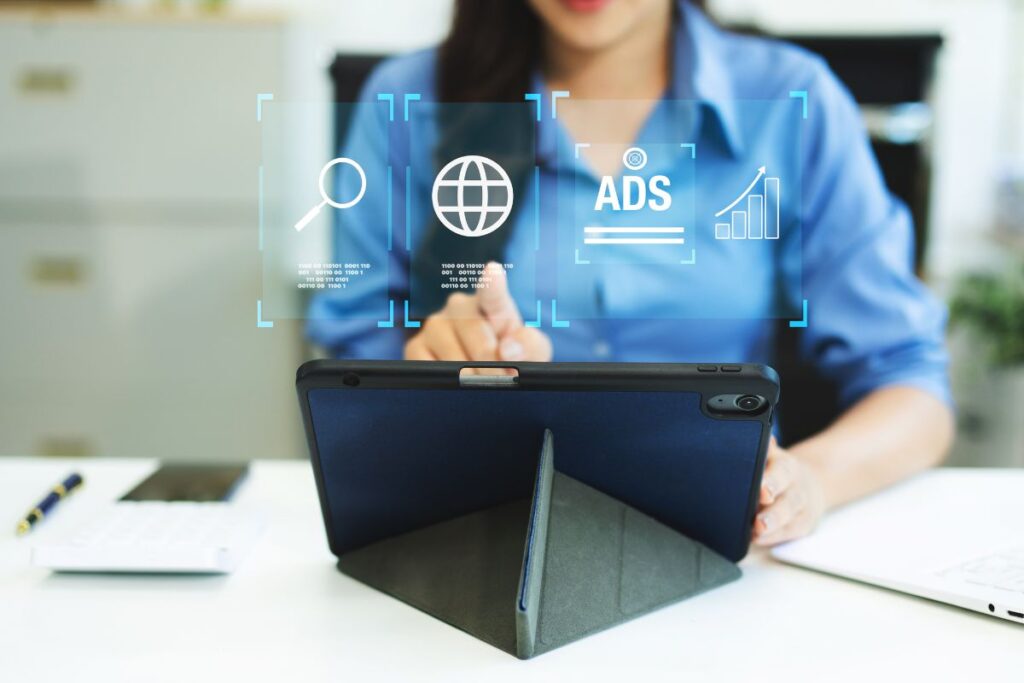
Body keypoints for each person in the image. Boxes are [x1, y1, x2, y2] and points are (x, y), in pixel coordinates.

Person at [308, 0, 954, 546]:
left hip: (722, 553)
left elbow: (912, 383)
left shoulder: (794, 99)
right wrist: (426, 373)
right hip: (475, 542)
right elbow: (352, 372)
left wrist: (808, 479)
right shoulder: (405, 100)